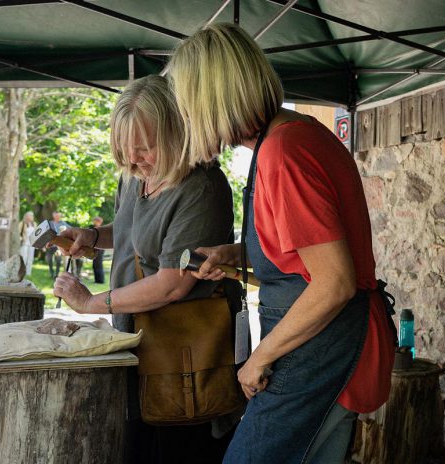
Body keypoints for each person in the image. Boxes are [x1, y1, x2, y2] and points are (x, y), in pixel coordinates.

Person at [170, 23, 396, 464]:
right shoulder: (287, 136)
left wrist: (258, 359)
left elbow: (333, 283)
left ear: (212, 98)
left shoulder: (285, 151)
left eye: (188, 104)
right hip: (314, 344)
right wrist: (238, 255)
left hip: (323, 348)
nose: (187, 117)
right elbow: (304, 254)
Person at [52, 75, 235, 464]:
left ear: (174, 133)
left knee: (181, 451)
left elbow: (172, 284)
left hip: (184, 358)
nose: (132, 160)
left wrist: (89, 302)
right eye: (123, 149)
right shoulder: (135, 176)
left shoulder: (200, 187)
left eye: (144, 148)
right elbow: (128, 233)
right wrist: (89, 235)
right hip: (138, 347)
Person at [45, 211, 68, 279]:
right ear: (54, 216)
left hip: (58, 246)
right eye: (56, 216)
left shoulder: (63, 223)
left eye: (59, 216)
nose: (58, 217)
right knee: (49, 259)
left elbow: (71, 229)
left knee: (58, 260)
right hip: (50, 244)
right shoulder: (50, 223)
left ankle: (56, 274)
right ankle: (51, 272)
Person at [19, 211, 37, 276]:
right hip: (24, 243)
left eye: (32, 216)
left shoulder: (34, 224)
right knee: (24, 258)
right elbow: (18, 233)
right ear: (26, 216)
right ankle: (22, 271)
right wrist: (21, 238)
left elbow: (36, 233)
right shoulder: (22, 223)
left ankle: (28, 272)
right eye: (29, 216)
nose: (31, 217)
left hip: (32, 243)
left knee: (30, 258)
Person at [90, 216, 105, 284]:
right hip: (95, 248)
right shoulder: (94, 228)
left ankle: (100, 280)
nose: (94, 222)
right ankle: (97, 280)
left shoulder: (101, 229)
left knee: (98, 264)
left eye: (95, 221)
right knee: (95, 265)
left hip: (99, 250)